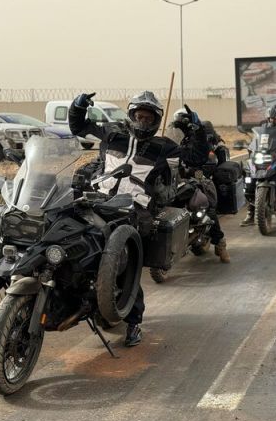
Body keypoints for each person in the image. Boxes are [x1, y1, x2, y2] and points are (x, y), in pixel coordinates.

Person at [69, 91, 211, 347]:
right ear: (131, 115)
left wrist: (198, 130)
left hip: (135, 211)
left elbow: (196, 158)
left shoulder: (163, 147)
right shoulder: (113, 134)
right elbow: (78, 126)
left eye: (148, 117)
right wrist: (78, 107)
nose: (143, 121)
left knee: (125, 264)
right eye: (139, 115)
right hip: (98, 202)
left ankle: (134, 323)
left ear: (155, 120)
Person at [171, 110, 231, 264]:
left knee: (208, 210)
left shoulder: (202, 139)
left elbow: (209, 163)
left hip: (201, 179)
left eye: (183, 123)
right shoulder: (177, 140)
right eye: (178, 124)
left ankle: (220, 242)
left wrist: (193, 173)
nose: (180, 127)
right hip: (180, 180)